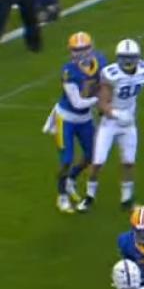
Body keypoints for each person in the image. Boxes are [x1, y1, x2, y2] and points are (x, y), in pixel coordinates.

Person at [77, 39, 144, 212]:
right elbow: (102, 103)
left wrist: (126, 116)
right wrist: (117, 114)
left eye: (131, 57)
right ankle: (89, 196)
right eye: (124, 57)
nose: (127, 61)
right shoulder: (111, 74)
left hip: (128, 123)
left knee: (129, 162)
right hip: (110, 123)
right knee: (98, 162)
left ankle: (127, 199)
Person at [44, 32, 106, 213]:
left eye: (84, 49)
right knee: (66, 159)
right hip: (66, 118)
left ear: (92, 48)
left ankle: (71, 179)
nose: (81, 53)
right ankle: (62, 195)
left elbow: (106, 83)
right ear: (70, 51)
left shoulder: (101, 61)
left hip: (85, 118)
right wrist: (100, 99)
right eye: (77, 50)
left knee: (92, 155)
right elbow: (77, 103)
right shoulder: (68, 71)